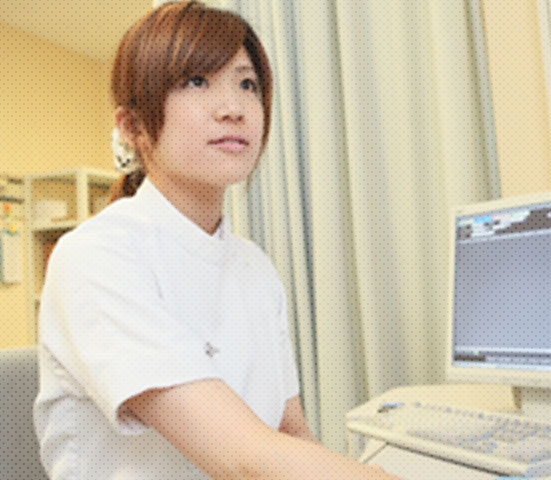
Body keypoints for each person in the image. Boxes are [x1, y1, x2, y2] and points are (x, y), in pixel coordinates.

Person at [33, 2, 401, 479]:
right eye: (196, 81)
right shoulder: (96, 257)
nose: (234, 108)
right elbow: (241, 457)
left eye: (247, 84)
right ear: (132, 126)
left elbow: (290, 432)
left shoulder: (254, 267)